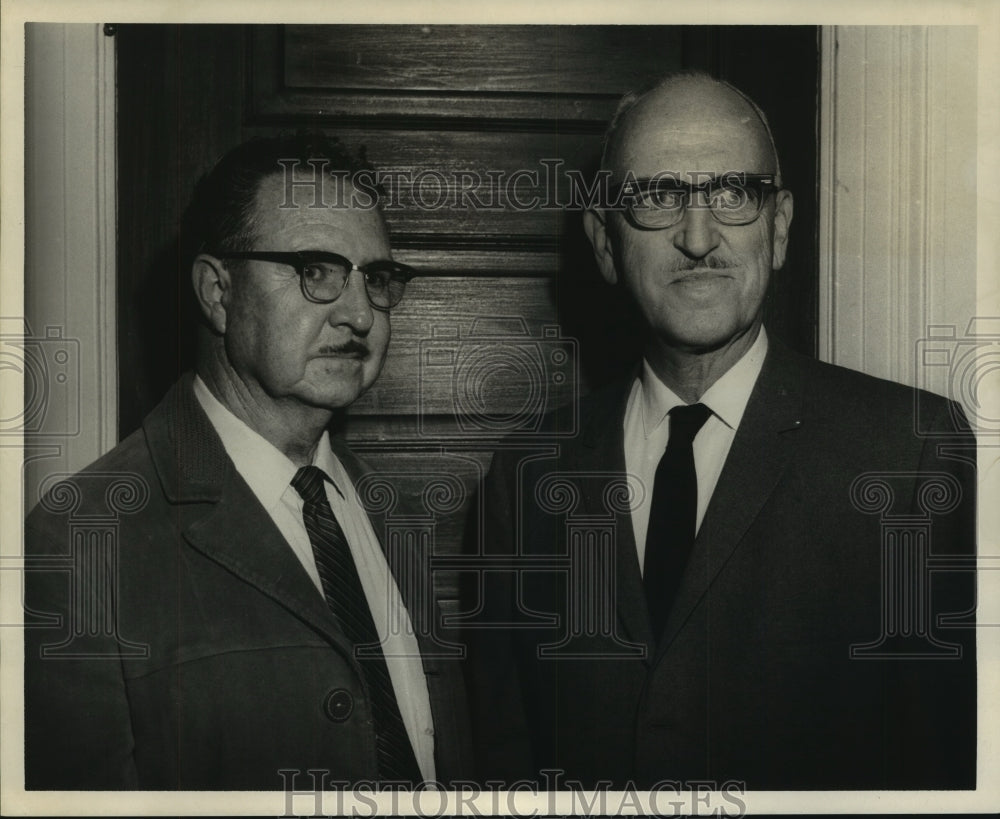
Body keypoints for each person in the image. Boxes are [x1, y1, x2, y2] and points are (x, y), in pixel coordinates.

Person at [467, 72, 976, 790]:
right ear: (605, 244)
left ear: (779, 227)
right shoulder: (524, 477)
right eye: (657, 196)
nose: (699, 237)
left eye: (734, 192)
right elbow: (504, 757)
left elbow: (945, 769)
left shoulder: (908, 452)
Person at [24, 134, 470, 790]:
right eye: (316, 270)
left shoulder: (393, 515)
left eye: (374, 278)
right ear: (216, 290)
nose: (358, 313)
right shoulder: (84, 539)